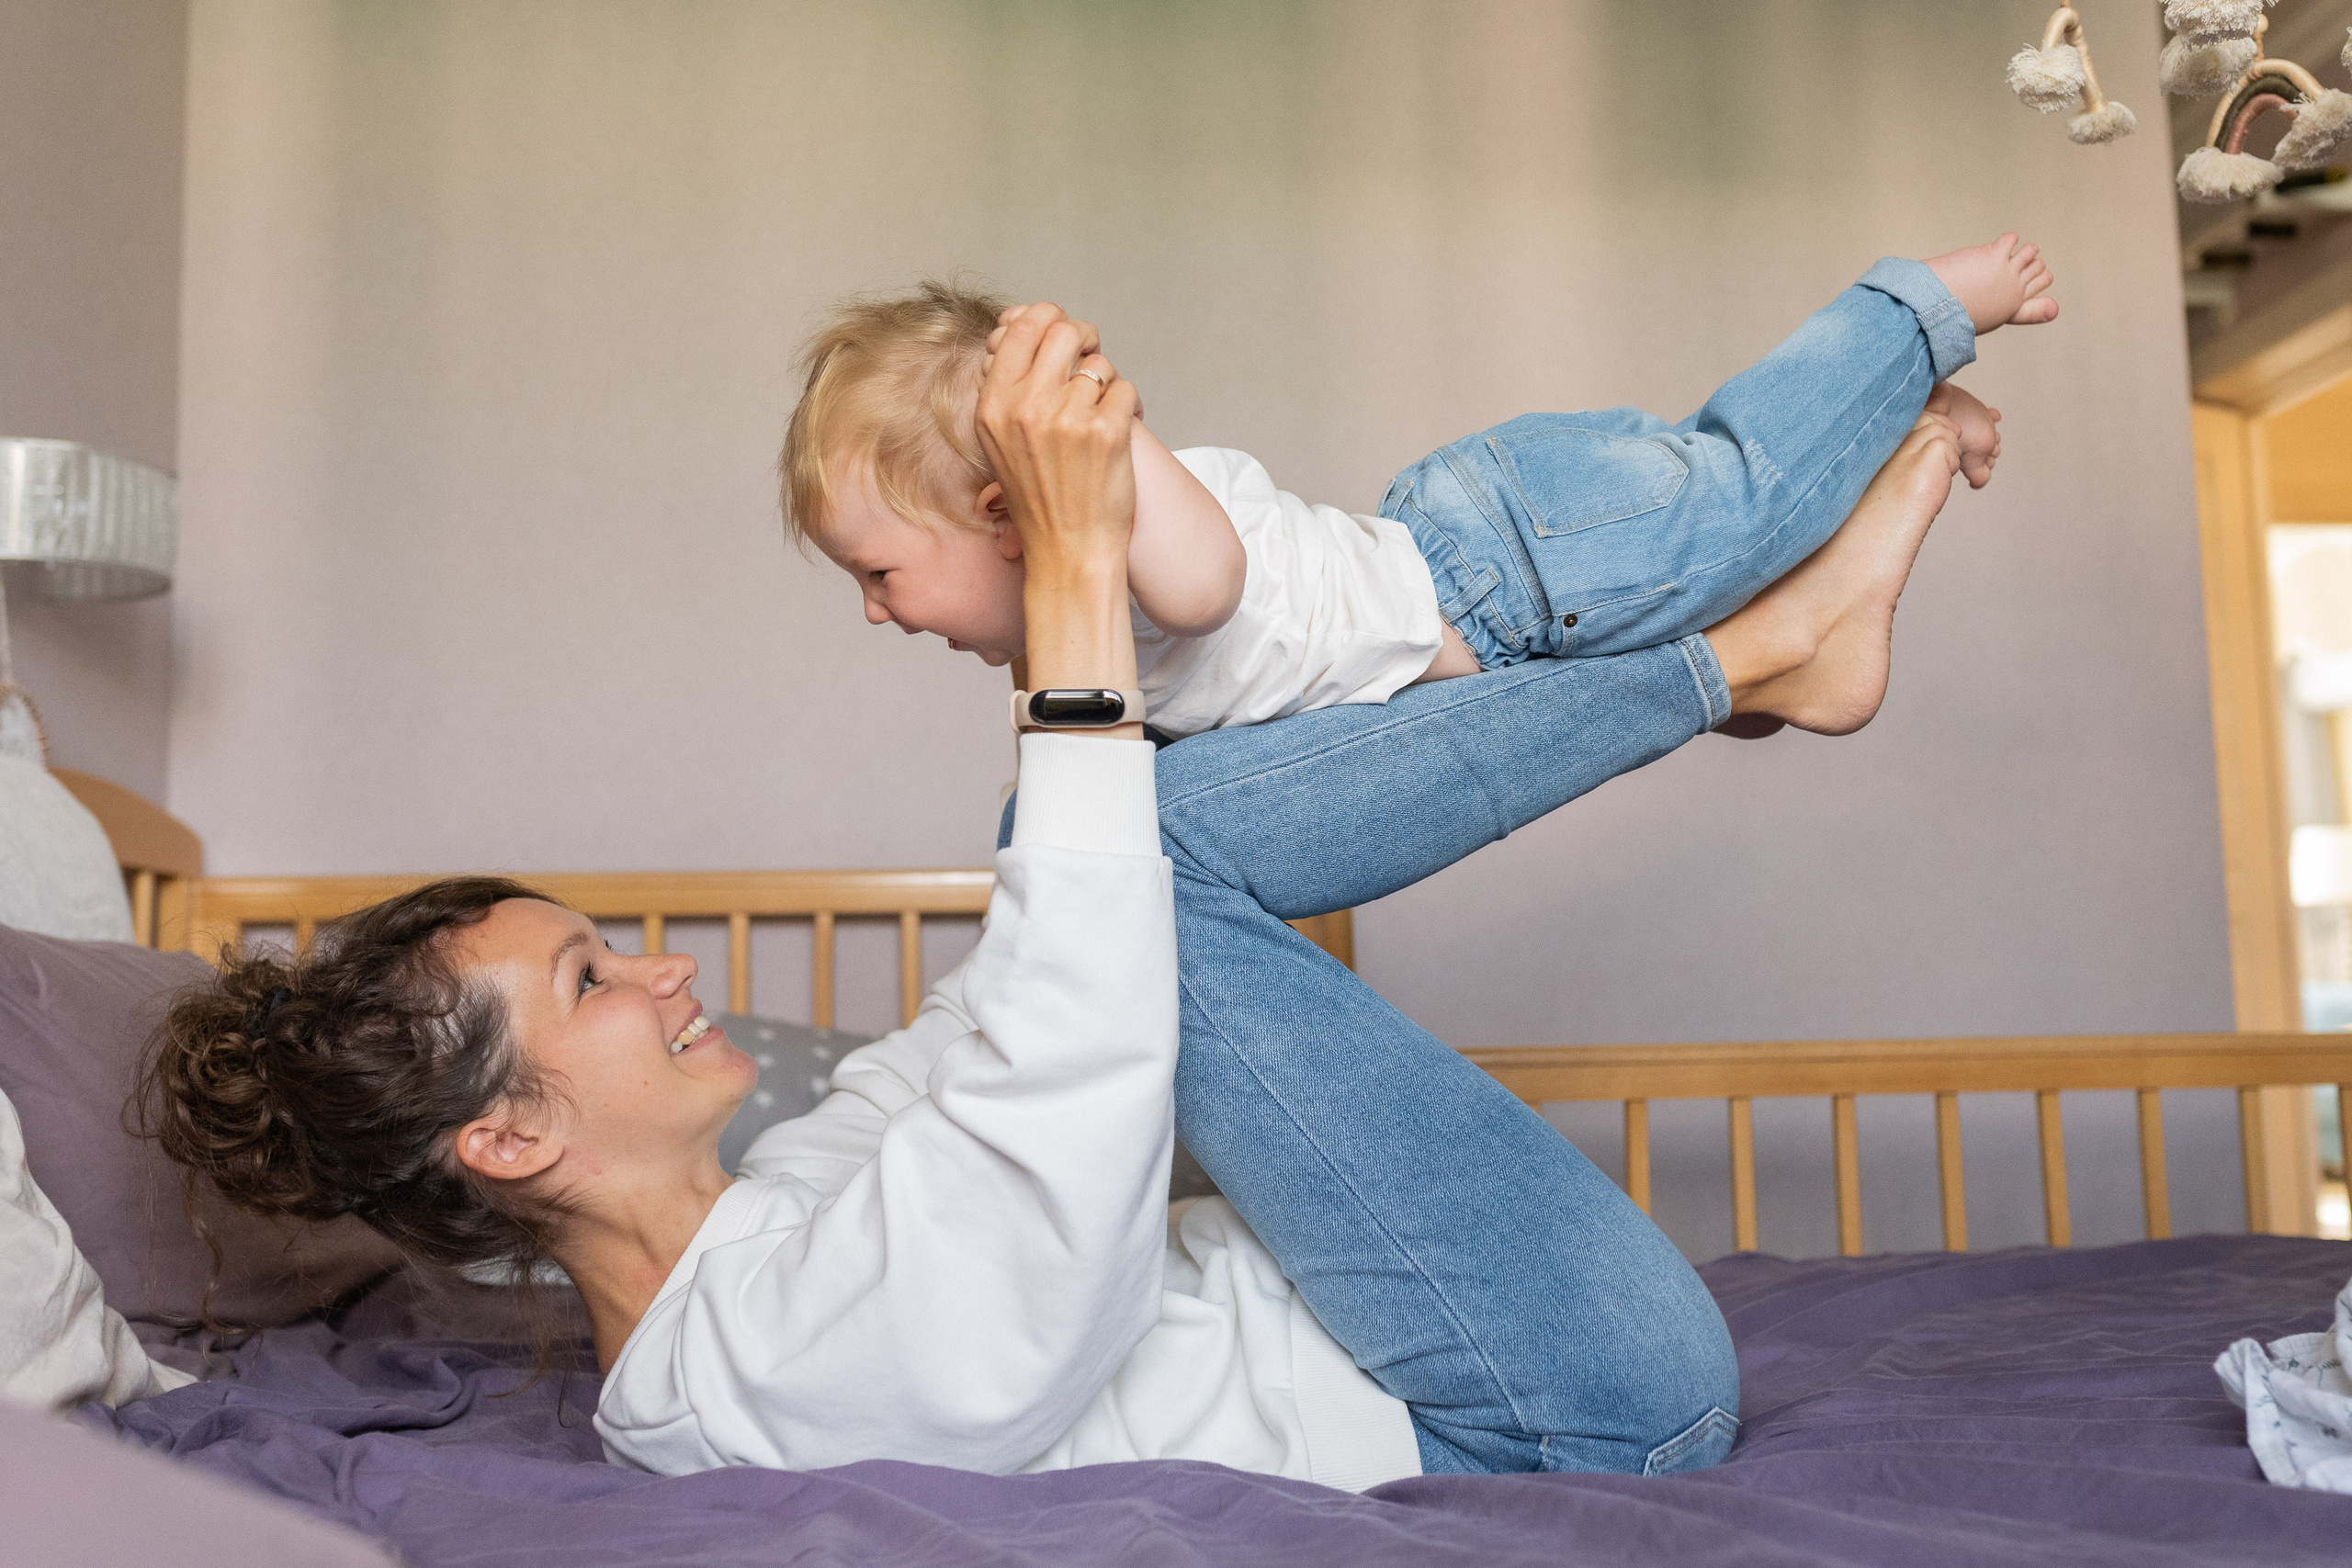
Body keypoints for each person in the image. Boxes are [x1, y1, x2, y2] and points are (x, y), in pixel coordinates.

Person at [144, 307, 1965, 1489]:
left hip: (1470, 1336)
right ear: (509, 1138)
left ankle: (1748, 651)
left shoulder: (772, 1221)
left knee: (1097, 832)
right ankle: (1741, 659)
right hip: (1542, 1406)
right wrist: (1078, 583)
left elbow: (1009, 1010)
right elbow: (1072, 1067)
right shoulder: (754, 1375)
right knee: (1116, 847)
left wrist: (1091, 613)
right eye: (590, 981)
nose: (667, 973)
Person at [778, 236, 2049, 737]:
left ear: (1005, 511)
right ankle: (1910, 427)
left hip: (1502, 559)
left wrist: (1094, 422)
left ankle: (1918, 310)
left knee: (1745, 494)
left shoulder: (1135, 534)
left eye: (878, 572)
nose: (876, 610)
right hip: (1515, 618)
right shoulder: (1064, 654)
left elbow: (1208, 591)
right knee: (1744, 642)